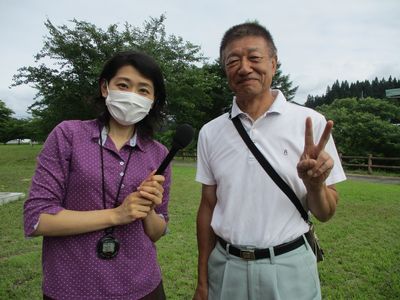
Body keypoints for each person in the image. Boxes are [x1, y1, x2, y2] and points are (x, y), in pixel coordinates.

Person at [194, 23, 346, 300]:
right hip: (226, 267)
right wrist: (202, 280)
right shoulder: (210, 132)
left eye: (254, 58)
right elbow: (207, 206)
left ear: (274, 64)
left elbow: (325, 213)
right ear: (226, 70)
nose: (244, 67)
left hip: (290, 266)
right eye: (233, 61)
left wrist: (315, 186)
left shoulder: (311, 123)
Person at [24, 51, 171, 300]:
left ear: (153, 100)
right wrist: (116, 215)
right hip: (72, 287)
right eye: (123, 85)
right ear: (105, 87)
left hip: (143, 287)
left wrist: (147, 208)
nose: (132, 95)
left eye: (144, 90)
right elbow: (37, 219)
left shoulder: (159, 153)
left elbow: (157, 230)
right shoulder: (68, 135)